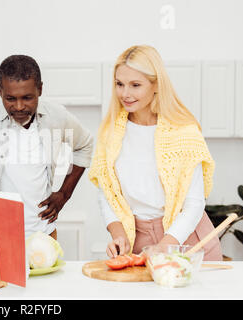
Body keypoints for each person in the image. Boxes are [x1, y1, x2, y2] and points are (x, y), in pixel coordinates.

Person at [88, 45, 223, 261]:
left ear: (156, 85)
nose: (125, 94)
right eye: (119, 84)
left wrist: (164, 247)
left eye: (135, 85)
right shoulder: (110, 133)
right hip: (138, 242)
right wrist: (119, 235)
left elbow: (194, 204)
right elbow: (107, 193)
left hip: (189, 241)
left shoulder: (184, 132)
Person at [0, 54, 94, 240]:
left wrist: (64, 194)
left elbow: (86, 144)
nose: (19, 107)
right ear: (0, 91)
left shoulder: (56, 116)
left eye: (27, 98)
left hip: (43, 234)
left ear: (40, 89)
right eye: (10, 99)